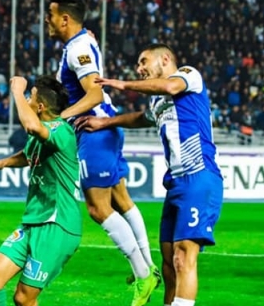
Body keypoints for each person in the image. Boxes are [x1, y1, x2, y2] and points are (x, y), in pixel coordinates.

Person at [77, 43, 224, 306]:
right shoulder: (158, 100)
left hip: (199, 176)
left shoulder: (188, 75)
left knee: (183, 258)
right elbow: (142, 118)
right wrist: (105, 122)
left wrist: (123, 84)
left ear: (165, 59)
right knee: (168, 262)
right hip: (176, 183)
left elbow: (170, 87)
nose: (139, 68)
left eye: (143, 61)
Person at [46, 0, 158, 305]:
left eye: (50, 15)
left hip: (94, 129)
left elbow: (94, 94)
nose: (47, 20)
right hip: (105, 127)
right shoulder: (81, 42)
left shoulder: (78, 48)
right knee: (121, 200)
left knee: (98, 208)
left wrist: (60, 119)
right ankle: (147, 267)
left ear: (64, 19)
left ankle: (144, 275)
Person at [0, 76, 82, 306]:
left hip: (57, 224)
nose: (26, 99)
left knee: (23, 298)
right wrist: (2, 163)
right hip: (33, 221)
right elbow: (28, 155)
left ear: (41, 106)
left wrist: (17, 91)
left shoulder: (62, 130)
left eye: (30, 97)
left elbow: (31, 126)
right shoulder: (40, 136)